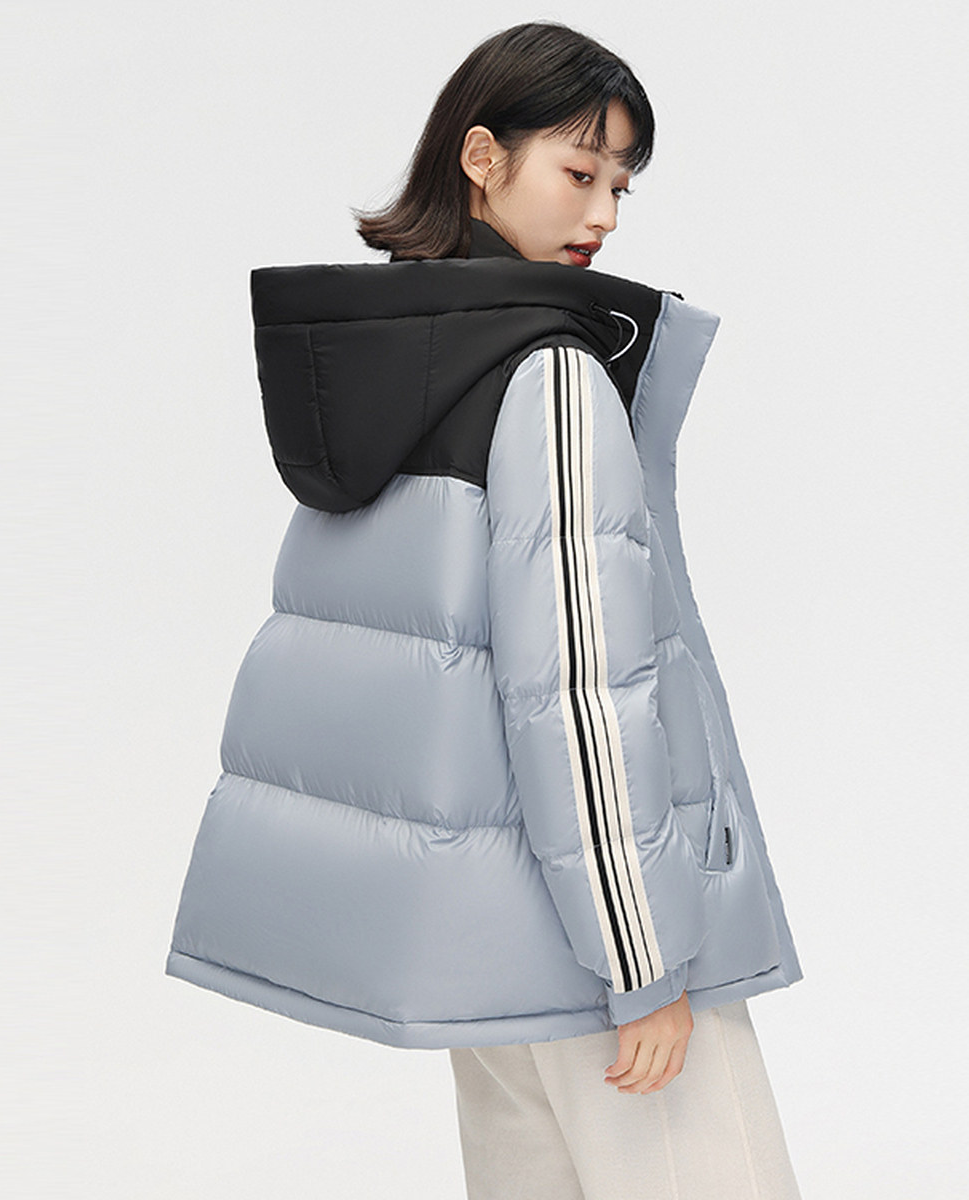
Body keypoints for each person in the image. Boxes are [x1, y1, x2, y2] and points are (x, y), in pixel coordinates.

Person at [165, 20, 804, 1199]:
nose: (604, 213)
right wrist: (643, 957)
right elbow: (579, 691)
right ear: (480, 156)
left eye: (621, 185)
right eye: (579, 170)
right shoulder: (548, 376)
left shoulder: (393, 364)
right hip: (597, 941)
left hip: (482, 943)